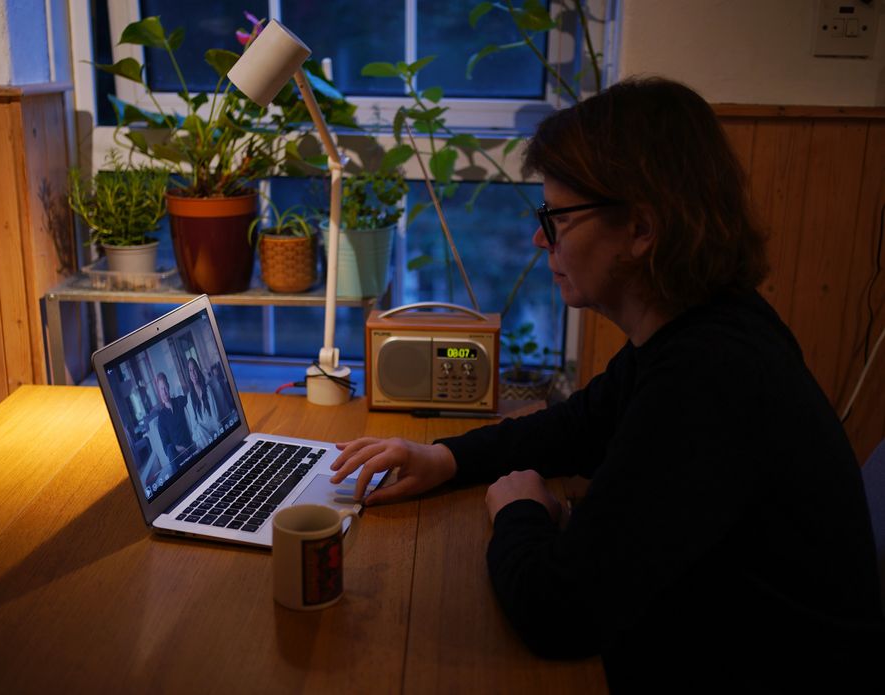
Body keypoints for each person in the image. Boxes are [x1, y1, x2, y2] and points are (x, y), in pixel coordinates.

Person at [329, 77, 885, 690]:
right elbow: (582, 425)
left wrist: (518, 511)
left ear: (642, 229)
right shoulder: (701, 324)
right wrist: (445, 457)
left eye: (557, 216)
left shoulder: (710, 377)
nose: (541, 237)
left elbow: (556, 612)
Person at [153, 371, 193, 462]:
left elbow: (192, 397)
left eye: (165, 387)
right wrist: (177, 448)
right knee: (170, 448)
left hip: (189, 447)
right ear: (159, 392)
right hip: (177, 455)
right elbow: (166, 448)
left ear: (168, 386)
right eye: (161, 389)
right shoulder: (161, 419)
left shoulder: (179, 401)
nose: (164, 391)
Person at [185, 356, 220, 449]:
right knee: (198, 431)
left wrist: (219, 433)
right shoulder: (190, 397)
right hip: (201, 434)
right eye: (190, 370)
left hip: (213, 430)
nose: (193, 373)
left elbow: (215, 416)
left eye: (194, 369)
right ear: (188, 374)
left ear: (198, 370)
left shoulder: (207, 390)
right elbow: (194, 425)